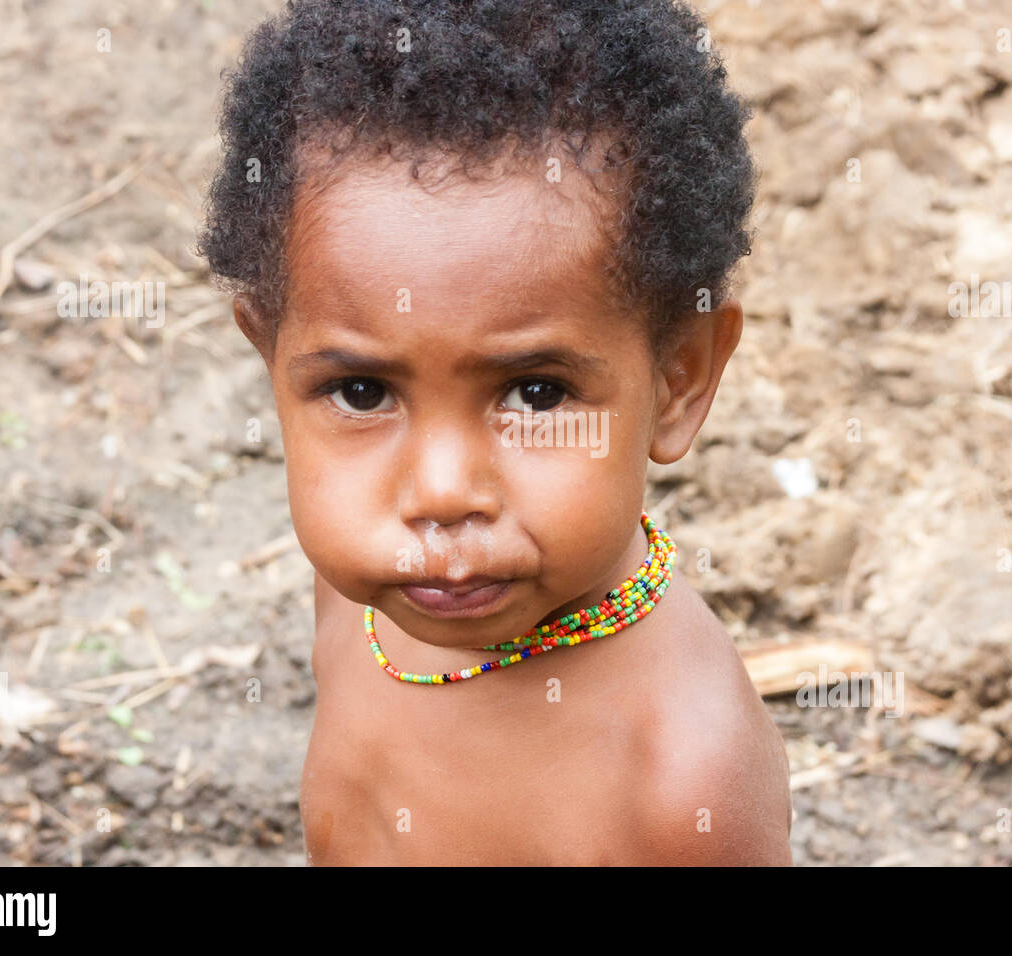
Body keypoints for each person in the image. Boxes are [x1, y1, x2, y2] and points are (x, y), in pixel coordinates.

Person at [199, 0, 791, 865]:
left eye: (538, 393)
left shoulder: (684, 777)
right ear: (270, 358)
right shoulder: (362, 590)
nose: (440, 493)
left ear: (678, 380)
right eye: (361, 390)